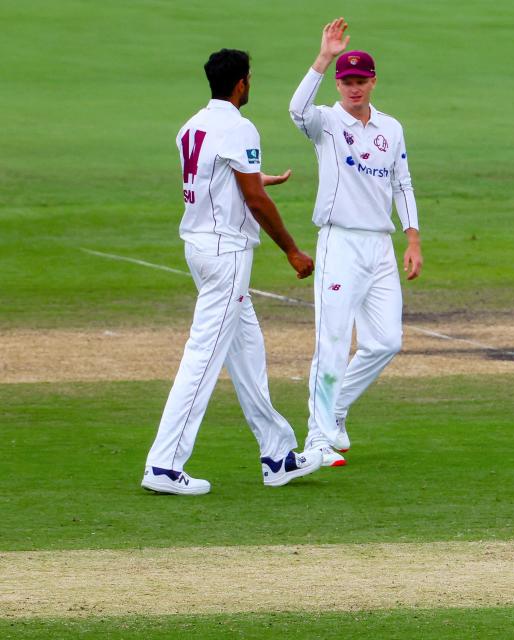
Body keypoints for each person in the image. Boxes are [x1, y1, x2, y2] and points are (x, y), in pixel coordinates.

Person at [142, 49, 334, 496]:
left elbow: (212, 179)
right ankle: (164, 465)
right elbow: (253, 200)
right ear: (241, 84)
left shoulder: (192, 125)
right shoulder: (239, 126)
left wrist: (256, 177)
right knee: (203, 358)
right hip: (226, 254)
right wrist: (292, 249)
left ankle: (278, 455)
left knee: (247, 352)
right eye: (250, 78)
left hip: (201, 249)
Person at [289, 18, 422, 457]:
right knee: (331, 341)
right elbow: (295, 110)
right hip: (339, 243)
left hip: (380, 247)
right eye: (346, 81)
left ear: (373, 81)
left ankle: (335, 409)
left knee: (386, 341)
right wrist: (323, 58)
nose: (353, 88)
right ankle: (316, 436)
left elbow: (402, 184)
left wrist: (413, 238)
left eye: (360, 80)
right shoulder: (325, 122)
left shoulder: (391, 128)